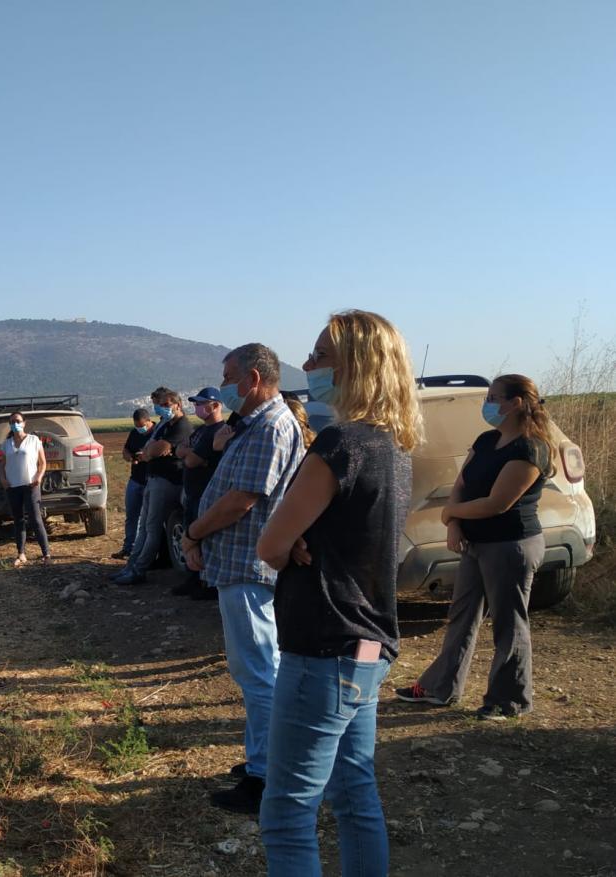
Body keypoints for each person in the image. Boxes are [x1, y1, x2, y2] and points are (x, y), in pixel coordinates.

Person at [255, 310, 421, 876]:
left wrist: (293, 538)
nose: (307, 365)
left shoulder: (341, 442)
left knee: (286, 811)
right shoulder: (394, 446)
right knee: (354, 796)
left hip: (323, 649)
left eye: (320, 355)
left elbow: (270, 546)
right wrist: (298, 537)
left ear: (356, 365)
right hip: (368, 649)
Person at [182, 343, 305, 813]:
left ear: (253, 379)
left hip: (248, 565)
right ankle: (263, 757)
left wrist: (193, 532)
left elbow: (241, 501)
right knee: (255, 669)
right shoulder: (252, 425)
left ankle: (267, 777)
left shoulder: (272, 426)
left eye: (230, 377)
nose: (225, 386)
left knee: (258, 673)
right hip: (238, 562)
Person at [396, 373, 553, 720]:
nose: (489, 404)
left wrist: (452, 513)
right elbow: (462, 484)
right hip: (476, 543)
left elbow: (498, 503)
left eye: (495, 398)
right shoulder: (486, 441)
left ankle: (509, 701)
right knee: (462, 617)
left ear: (516, 404)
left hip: (511, 545)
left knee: (509, 624)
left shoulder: (531, 449)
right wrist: (454, 523)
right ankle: (440, 688)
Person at [110, 387, 193, 586]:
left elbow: (153, 450)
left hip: (166, 481)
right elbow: (150, 449)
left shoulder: (181, 426)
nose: (161, 409)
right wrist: (151, 450)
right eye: (158, 406)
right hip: (153, 479)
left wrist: (151, 451)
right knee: (145, 527)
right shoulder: (164, 424)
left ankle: (138, 570)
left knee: (152, 528)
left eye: (166, 405)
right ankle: (131, 566)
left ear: (177, 404)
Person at [172, 387, 229, 600]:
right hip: (192, 491)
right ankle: (193, 578)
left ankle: (208, 584)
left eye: (201, 404)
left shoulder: (218, 431)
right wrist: (190, 454)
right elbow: (180, 451)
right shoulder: (200, 431)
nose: (197, 408)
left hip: (207, 493)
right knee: (191, 534)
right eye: (196, 404)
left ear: (215, 405)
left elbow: (191, 459)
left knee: (203, 537)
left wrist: (190, 455)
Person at [0, 411, 51, 565]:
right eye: (12, 422)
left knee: (35, 519)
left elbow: (43, 462)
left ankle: (46, 554)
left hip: (31, 485)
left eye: (18, 421)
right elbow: (1, 465)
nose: (15, 424)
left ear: (24, 423)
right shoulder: (6, 444)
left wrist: (39, 477)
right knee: (18, 520)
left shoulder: (34, 440)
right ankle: (21, 553)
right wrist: (3, 480)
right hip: (13, 487)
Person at [112, 407, 154, 560]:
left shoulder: (158, 433)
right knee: (132, 516)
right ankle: (129, 548)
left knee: (148, 519)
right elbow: (125, 450)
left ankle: (145, 550)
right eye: (137, 426)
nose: (139, 429)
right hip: (135, 480)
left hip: (151, 481)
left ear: (149, 421)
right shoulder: (134, 433)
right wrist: (130, 457)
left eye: (142, 425)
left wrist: (146, 456)